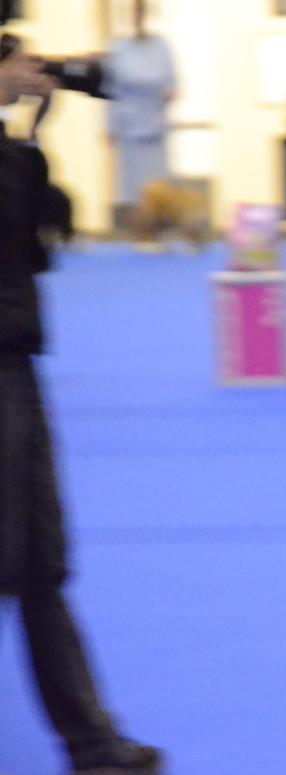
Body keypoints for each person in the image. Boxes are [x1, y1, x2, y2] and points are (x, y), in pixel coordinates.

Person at [0, 54, 163, 775]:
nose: (24, 69)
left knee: (41, 560)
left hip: (14, 363)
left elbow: (39, 240)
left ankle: (92, 742)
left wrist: (28, 136)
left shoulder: (12, 153)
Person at [105, 0, 175, 234]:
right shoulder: (117, 48)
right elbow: (109, 90)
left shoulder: (161, 46)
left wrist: (165, 94)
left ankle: (160, 230)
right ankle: (138, 232)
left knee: (158, 185)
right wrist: (109, 126)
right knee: (132, 185)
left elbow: (171, 84)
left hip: (155, 123)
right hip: (128, 125)